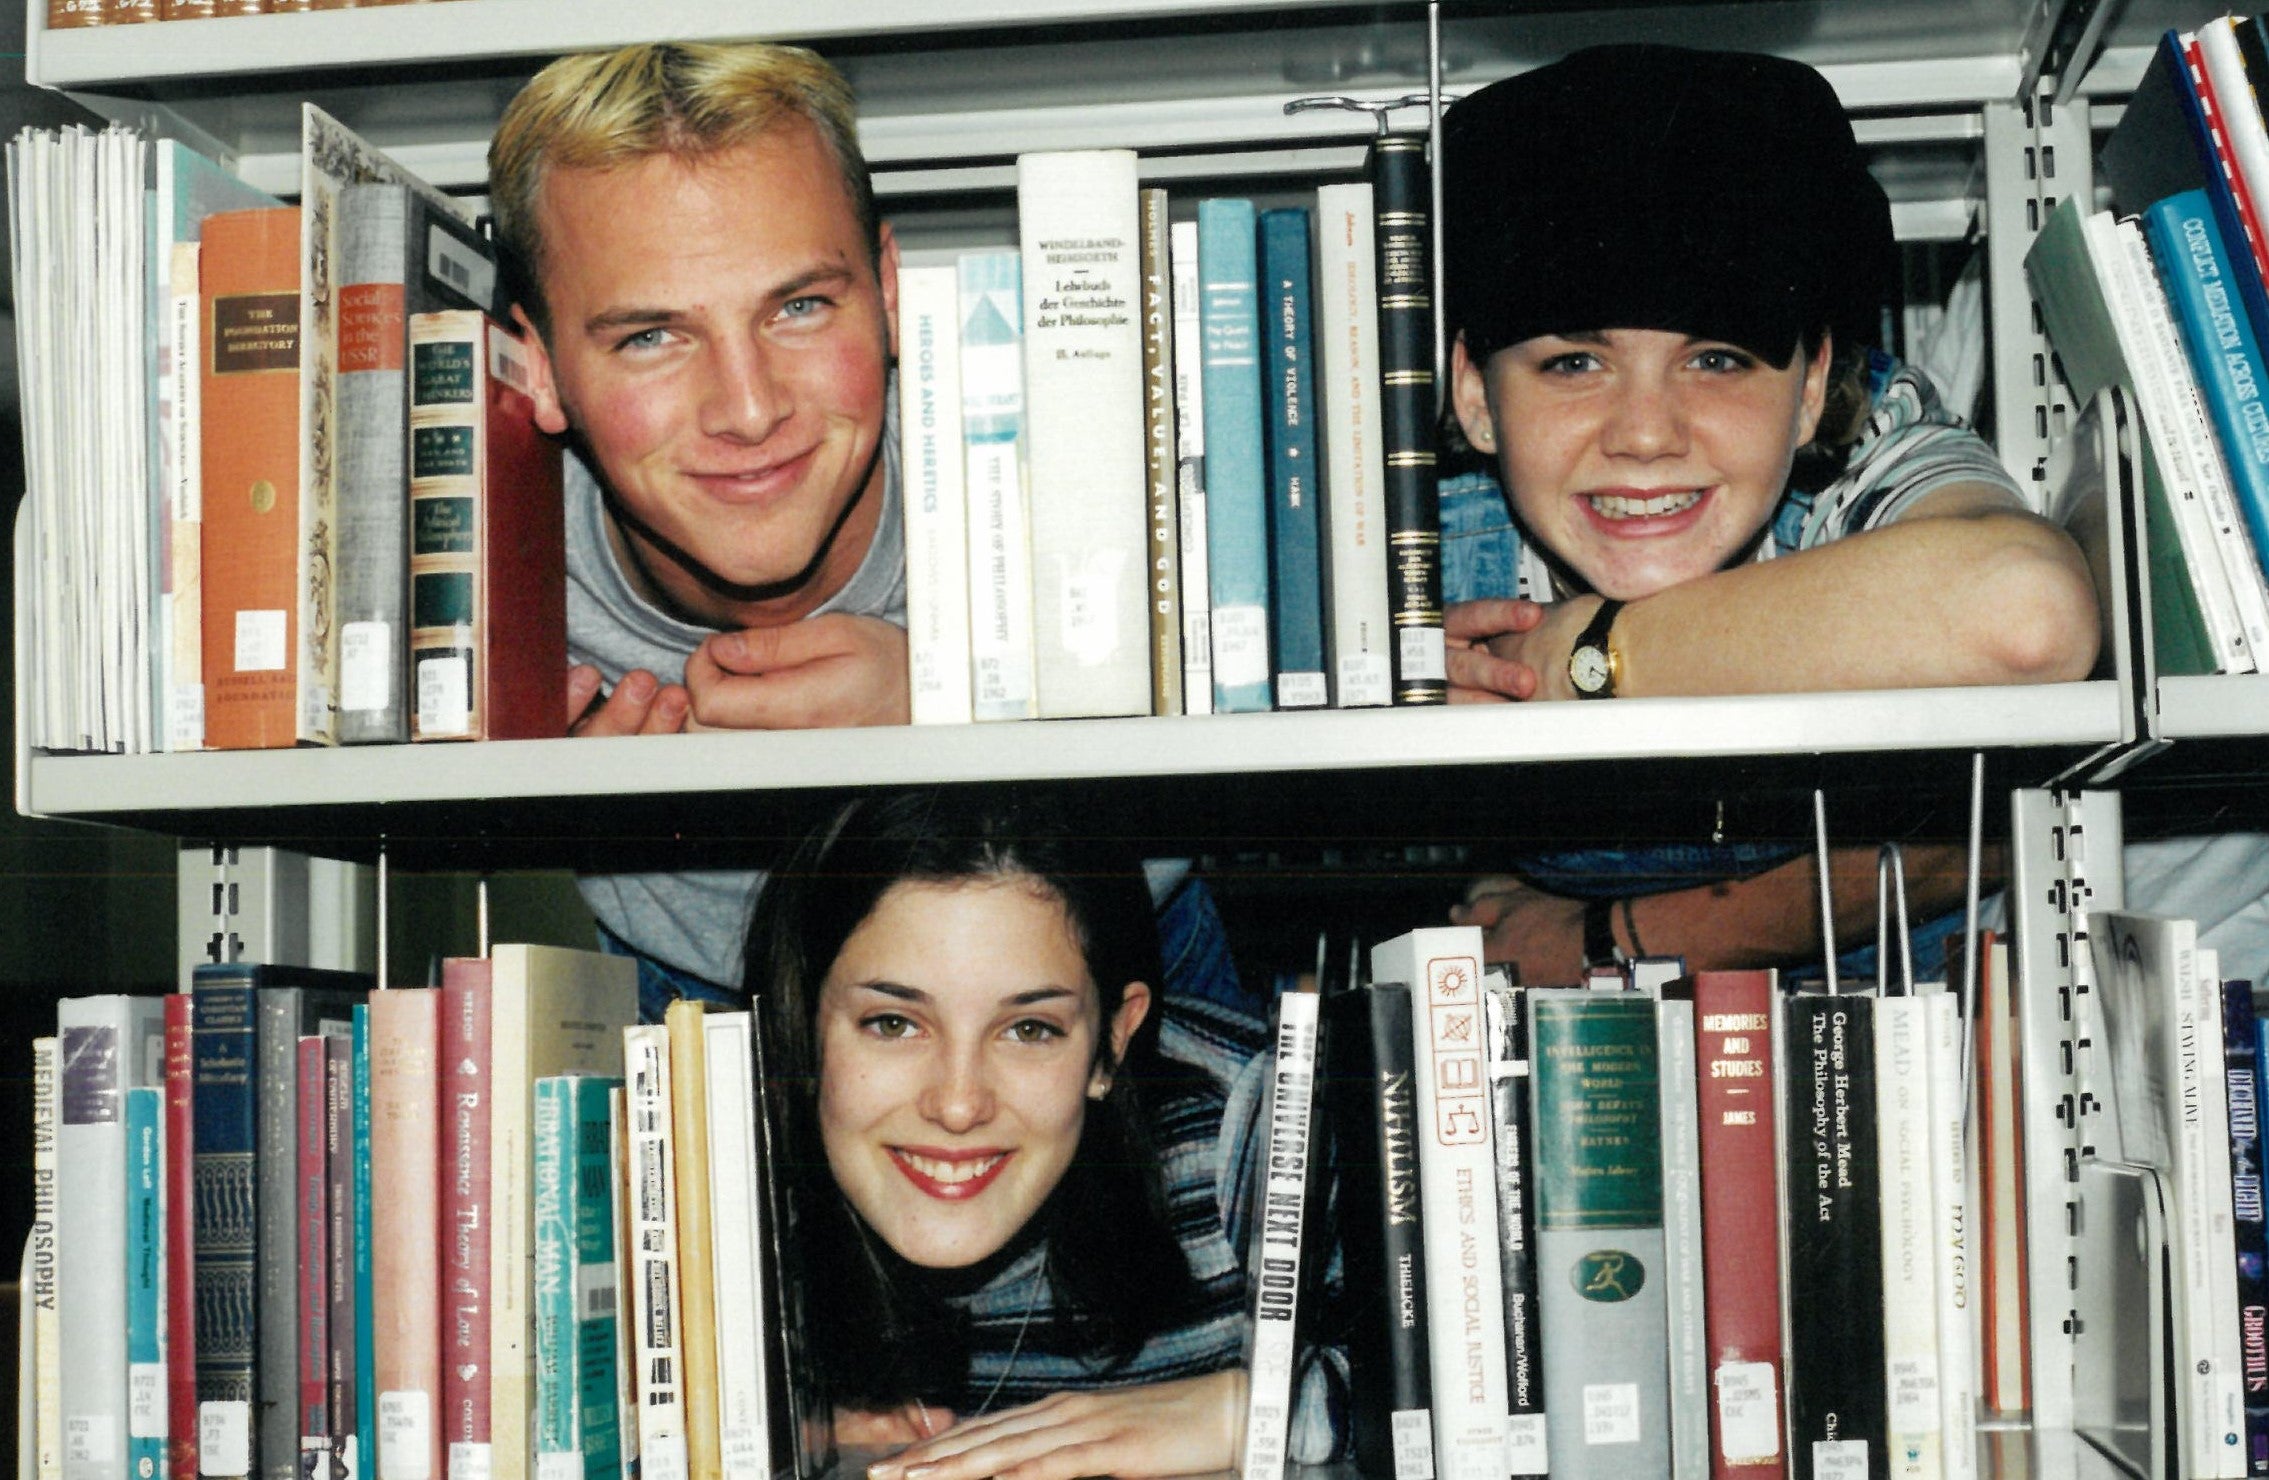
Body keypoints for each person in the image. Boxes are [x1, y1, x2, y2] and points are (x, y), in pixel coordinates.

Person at [1427, 43, 2104, 984]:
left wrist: (1588, 654)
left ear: (1814, 380)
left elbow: (2027, 616)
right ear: (1471, 392)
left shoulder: (1863, 451)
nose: (1645, 434)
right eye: (1572, 364)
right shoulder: (1382, 525)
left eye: (1717, 358)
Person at [744, 790, 1346, 1477]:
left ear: (1112, 1045)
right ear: (803, 1024)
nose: (959, 1104)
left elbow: (1467, 1368)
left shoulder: (1253, 1124)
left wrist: (1251, 1410)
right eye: (893, 1023)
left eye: (1029, 1030)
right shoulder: (715, 1176)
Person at [484, 42, 911, 1002]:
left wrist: (976, 724)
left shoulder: (1057, 470)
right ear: (541, 365)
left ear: (887, 291)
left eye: (798, 307)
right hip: (669, 996)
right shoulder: (473, 578)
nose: (750, 410)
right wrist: (533, 829)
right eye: (651, 337)